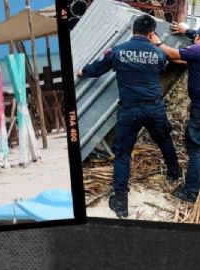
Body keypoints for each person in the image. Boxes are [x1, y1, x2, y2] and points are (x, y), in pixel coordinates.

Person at [77, 14, 181, 218]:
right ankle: (174, 172)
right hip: (154, 108)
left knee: (123, 154)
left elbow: (97, 69)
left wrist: (83, 71)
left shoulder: (118, 51)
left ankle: (121, 203)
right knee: (164, 140)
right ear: (152, 33)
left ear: (133, 30)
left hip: (129, 110)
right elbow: (161, 68)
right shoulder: (158, 53)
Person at [153, 25, 200, 203]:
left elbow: (173, 54)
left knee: (195, 147)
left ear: (199, 38)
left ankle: (191, 191)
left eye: (195, 37)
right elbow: (181, 61)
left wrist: (157, 42)